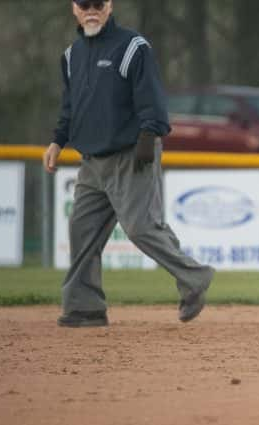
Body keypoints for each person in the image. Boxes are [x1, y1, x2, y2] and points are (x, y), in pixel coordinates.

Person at [43, 0, 214, 327]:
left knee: (141, 228)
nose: (91, 9)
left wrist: (149, 137)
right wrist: (57, 141)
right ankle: (85, 307)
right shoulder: (70, 56)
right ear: (73, 8)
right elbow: (70, 108)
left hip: (131, 152)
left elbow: (151, 96)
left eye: (98, 3)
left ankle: (195, 278)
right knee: (81, 231)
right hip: (91, 161)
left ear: (109, 6)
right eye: (84, 3)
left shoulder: (132, 46)